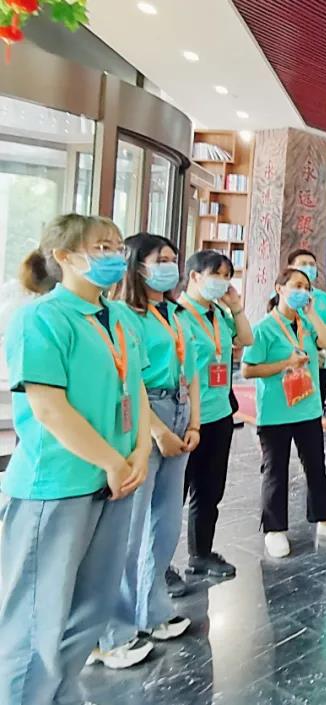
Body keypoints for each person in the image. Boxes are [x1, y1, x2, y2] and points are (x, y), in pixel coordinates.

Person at [0, 214, 152, 703]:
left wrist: (140, 450)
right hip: (56, 484)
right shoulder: (41, 318)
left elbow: (136, 387)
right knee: (35, 617)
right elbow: (48, 407)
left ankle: (58, 694)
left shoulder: (120, 317)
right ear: (64, 257)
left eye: (116, 246)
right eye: (101, 247)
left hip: (115, 481)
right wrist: (111, 459)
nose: (114, 256)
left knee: (91, 607)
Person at [93, 234, 201, 669]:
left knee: (166, 521)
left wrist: (193, 423)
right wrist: (155, 431)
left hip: (179, 408)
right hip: (144, 413)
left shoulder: (175, 313)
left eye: (174, 259)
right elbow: (130, 380)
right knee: (129, 528)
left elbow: (192, 370)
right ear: (137, 266)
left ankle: (152, 611)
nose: (170, 267)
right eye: (161, 260)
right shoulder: (123, 314)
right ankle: (113, 631)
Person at [242, 268, 326, 558]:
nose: (303, 291)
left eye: (307, 287)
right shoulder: (264, 328)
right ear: (279, 288)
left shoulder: (306, 324)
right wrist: (285, 365)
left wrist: (312, 313)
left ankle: (324, 520)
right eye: (297, 286)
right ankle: (275, 530)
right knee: (275, 471)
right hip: (276, 412)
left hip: (307, 408)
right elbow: (248, 369)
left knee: (316, 467)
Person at [175, 251, 253, 579]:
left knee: (209, 491)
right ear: (194, 276)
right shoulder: (176, 315)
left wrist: (236, 308)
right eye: (216, 275)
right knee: (172, 497)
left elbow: (246, 339)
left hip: (219, 414)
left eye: (227, 276)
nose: (222, 282)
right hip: (185, 417)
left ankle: (201, 554)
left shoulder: (219, 313)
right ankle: (158, 566)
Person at [285, 249, 326, 423]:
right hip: (288, 364)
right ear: (290, 268)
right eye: (303, 264)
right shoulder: (282, 296)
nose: (308, 268)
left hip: (317, 364)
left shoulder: (322, 298)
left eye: (312, 265)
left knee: (313, 415)